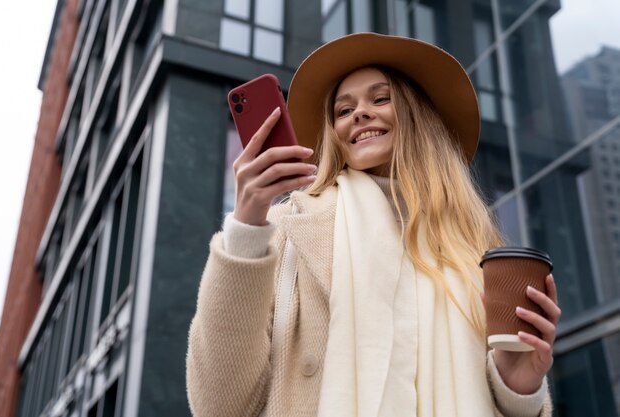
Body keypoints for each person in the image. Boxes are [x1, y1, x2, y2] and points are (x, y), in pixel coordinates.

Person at [186, 32, 561, 417]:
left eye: (381, 99)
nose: (359, 114)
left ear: (418, 117)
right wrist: (246, 228)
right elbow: (218, 405)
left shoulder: (474, 252)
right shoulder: (291, 228)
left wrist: (517, 387)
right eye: (343, 110)